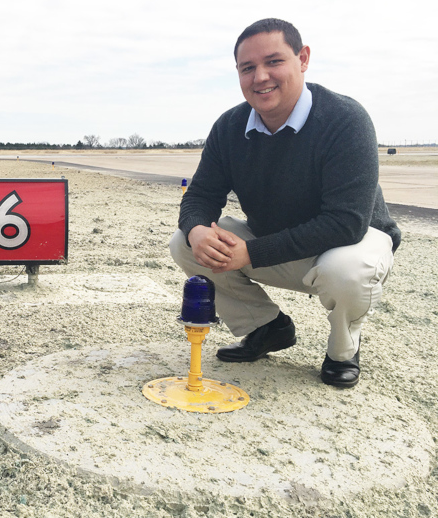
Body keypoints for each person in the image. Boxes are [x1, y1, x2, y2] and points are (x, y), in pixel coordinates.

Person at [169, 18, 400, 388]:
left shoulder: (345, 119)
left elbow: (346, 223)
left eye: (273, 61)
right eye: (248, 68)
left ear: (303, 58)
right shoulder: (229, 127)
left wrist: (252, 253)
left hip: (351, 244)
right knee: (185, 243)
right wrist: (197, 229)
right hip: (275, 243)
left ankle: (343, 350)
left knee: (346, 271)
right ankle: (266, 328)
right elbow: (200, 195)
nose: (260, 76)